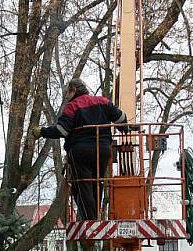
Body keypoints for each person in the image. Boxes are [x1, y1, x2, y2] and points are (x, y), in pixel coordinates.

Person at [32, 78, 128, 221]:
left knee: (82, 185)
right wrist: (124, 128)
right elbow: (121, 118)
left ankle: (90, 220)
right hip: (103, 151)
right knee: (97, 183)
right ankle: (96, 217)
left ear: (74, 90)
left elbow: (62, 130)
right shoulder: (102, 101)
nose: (66, 96)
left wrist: (42, 132)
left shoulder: (72, 107)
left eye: (67, 92)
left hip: (80, 152)